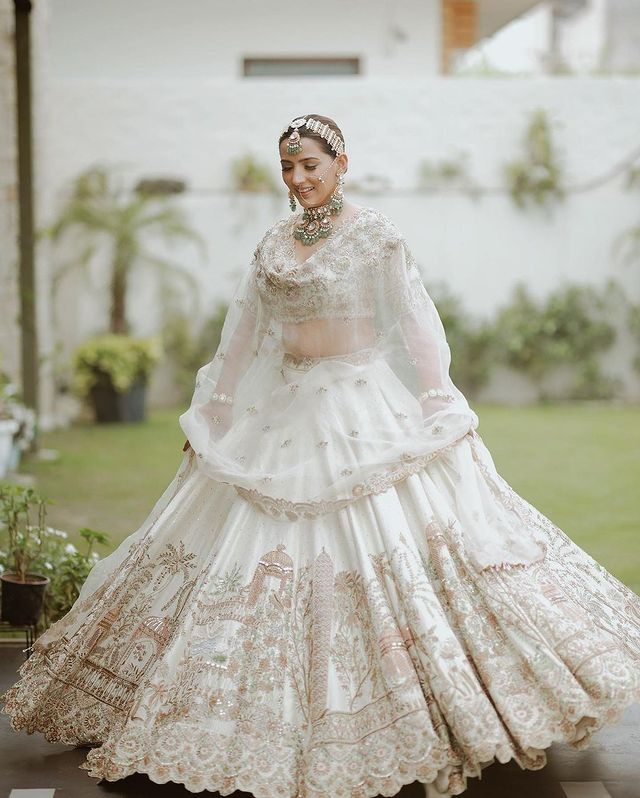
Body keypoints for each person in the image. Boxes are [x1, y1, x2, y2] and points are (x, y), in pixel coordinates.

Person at [3, 113, 639, 798]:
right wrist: (214, 411)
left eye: (310, 164)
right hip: (284, 415)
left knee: (415, 544)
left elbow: (417, 323)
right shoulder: (273, 243)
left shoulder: (376, 236)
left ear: (341, 163)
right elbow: (243, 333)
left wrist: (438, 404)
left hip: (363, 409)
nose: (299, 178)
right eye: (288, 167)